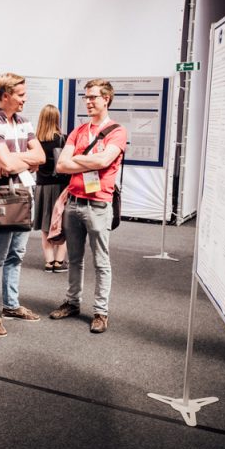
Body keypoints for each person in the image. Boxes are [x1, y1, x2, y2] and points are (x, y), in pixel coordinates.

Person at [49, 79, 127, 334]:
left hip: (99, 205)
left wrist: (78, 158)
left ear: (106, 99)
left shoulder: (117, 131)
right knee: (74, 259)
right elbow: (61, 165)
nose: (88, 101)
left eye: (93, 97)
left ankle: (101, 312)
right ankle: (72, 302)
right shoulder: (79, 130)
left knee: (101, 262)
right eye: (86, 97)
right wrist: (90, 160)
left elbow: (105, 160)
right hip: (73, 203)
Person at [0, 73, 45, 337]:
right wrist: (22, 159)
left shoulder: (24, 122)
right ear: (5, 96)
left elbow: (41, 156)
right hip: (2, 198)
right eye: (20, 95)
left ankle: (11, 305)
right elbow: (6, 164)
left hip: (25, 194)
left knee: (17, 254)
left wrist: (16, 158)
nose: (25, 99)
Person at [32, 104, 69, 273]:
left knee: (45, 225)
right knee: (62, 224)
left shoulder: (35, 142)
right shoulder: (63, 139)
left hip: (42, 188)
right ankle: (59, 262)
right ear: (57, 119)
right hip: (61, 187)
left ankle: (49, 262)